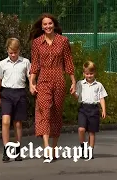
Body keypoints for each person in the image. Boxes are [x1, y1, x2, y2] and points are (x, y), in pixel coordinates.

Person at [28, 13, 76, 162]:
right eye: (45, 24)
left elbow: (68, 62)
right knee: (45, 111)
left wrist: (73, 82)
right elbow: (34, 65)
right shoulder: (37, 43)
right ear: (41, 27)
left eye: (50, 24)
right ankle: (47, 148)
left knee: (55, 112)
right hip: (43, 80)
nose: (47, 26)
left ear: (54, 25)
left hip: (59, 80)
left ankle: (54, 147)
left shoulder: (63, 41)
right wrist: (31, 82)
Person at [0, 37, 31, 162]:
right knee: (5, 121)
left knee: (18, 123)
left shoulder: (25, 62)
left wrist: (32, 85)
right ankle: (6, 149)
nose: (13, 55)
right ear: (7, 51)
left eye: (15, 52)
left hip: (20, 93)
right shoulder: (3, 64)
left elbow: (30, 77)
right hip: (7, 94)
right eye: (11, 53)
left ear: (19, 50)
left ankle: (17, 149)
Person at [72, 61, 108, 159]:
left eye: (91, 73)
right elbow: (77, 96)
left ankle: (90, 150)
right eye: (87, 73)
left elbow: (101, 98)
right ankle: (83, 148)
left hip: (94, 109)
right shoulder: (80, 83)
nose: (89, 75)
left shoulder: (98, 85)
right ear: (84, 73)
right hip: (83, 108)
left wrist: (103, 110)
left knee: (92, 132)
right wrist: (73, 93)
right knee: (81, 129)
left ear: (94, 73)